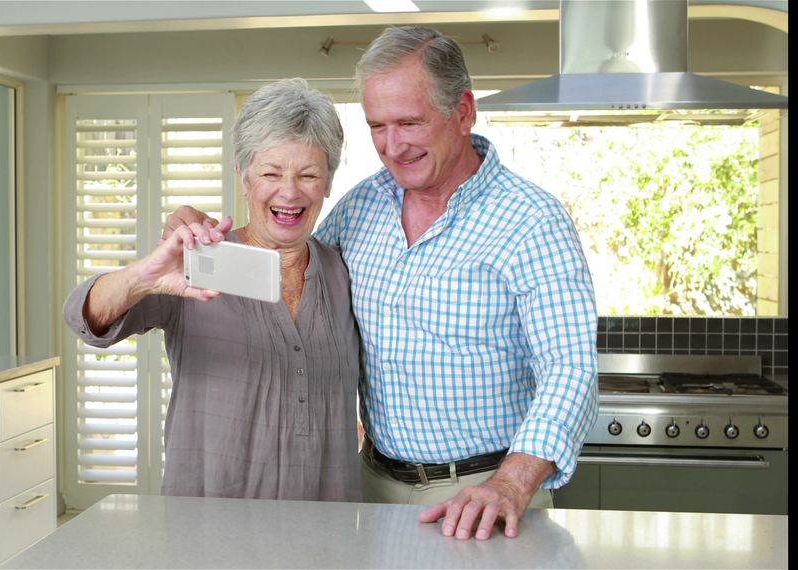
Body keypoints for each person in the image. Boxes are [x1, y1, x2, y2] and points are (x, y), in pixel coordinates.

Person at [164, 26, 599, 540]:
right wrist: (195, 230)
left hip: (481, 494)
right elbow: (286, 264)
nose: (393, 146)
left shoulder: (531, 220)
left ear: (463, 111)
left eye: (410, 122)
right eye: (377, 126)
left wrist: (512, 482)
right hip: (371, 488)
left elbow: (570, 366)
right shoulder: (359, 208)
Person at [63, 78, 360, 501]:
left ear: (328, 181)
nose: (289, 192)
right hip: (207, 533)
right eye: (271, 173)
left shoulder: (343, 271)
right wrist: (142, 277)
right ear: (243, 176)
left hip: (327, 536)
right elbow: (86, 318)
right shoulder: (197, 262)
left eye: (309, 174)